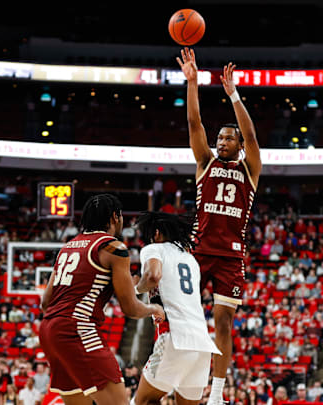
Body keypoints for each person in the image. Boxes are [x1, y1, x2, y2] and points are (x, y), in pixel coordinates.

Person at [177, 47, 262, 405]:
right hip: (198, 252)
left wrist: (233, 95)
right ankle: (179, 375)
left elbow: (253, 137)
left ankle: (215, 394)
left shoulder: (250, 168)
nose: (222, 141)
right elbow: (194, 123)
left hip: (230, 257)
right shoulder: (204, 162)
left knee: (223, 323)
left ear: (240, 146)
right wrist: (193, 83)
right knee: (184, 318)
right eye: (220, 137)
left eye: (229, 138)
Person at [39, 194, 165, 405]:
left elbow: (45, 303)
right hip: (77, 328)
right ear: (115, 217)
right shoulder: (112, 247)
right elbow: (131, 309)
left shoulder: (68, 246)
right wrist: (154, 309)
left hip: (48, 330)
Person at [131, 212, 221, 405]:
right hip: (202, 344)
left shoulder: (153, 248)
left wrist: (136, 289)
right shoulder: (191, 260)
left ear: (155, 233)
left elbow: (153, 276)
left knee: (142, 401)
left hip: (175, 337)